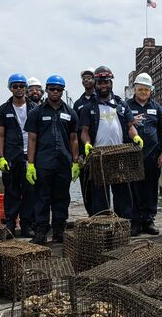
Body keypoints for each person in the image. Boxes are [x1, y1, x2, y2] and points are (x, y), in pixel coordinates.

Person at [80, 66, 143, 220]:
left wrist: (136, 137)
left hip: (119, 155)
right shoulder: (88, 108)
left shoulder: (122, 105)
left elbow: (130, 126)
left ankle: (123, 223)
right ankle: (102, 224)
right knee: (100, 195)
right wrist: (87, 143)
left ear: (111, 83)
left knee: (122, 193)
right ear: (95, 84)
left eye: (106, 82)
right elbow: (84, 131)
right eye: (100, 82)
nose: (103, 85)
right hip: (98, 156)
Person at [25, 75, 79, 244]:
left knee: (61, 198)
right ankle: (41, 231)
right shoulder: (36, 112)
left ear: (62, 91)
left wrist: (75, 162)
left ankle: (59, 231)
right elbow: (32, 139)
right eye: (52, 89)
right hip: (43, 163)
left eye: (59, 89)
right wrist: (30, 164)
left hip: (63, 162)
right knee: (41, 198)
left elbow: (73, 139)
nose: (55, 92)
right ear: (47, 90)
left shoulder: (70, 112)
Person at [0, 74, 37, 237]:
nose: (19, 89)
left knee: (29, 191)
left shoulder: (34, 108)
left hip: (30, 157)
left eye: (21, 86)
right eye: (15, 86)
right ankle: (10, 224)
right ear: (10, 88)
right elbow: (0, 135)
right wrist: (1, 157)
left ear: (25, 87)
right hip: (12, 156)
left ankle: (26, 225)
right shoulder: (3, 109)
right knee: (11, 192)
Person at [126, 73, 162, 236]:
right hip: (132, 155)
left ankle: (148, 220)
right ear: (135, 89)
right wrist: (130, 121)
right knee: (134, 188)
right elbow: (119, 126)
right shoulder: (126, 106)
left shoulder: (157, 108)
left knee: (151, 188)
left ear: (151, 90)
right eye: (140, 89)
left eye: (146, 89)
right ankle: (135, 221)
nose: (143, 92)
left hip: (152, 155)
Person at [73, 67, 95, 215]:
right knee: (86, 184)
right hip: (83, 151)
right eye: (84, 78)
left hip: (99, 148)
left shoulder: (101, 99)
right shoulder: (78, 103)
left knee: (101, 184)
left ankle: (103, 214)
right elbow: (74, 131)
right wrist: (77, 155)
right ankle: (91, 214)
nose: (86, 80)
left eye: (89, 77)